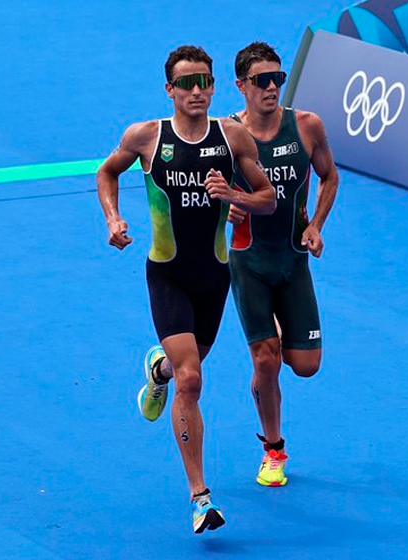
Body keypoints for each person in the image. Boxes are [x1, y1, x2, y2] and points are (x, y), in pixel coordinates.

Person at [96, 45, 276, 534]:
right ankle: (201, 497)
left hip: (215, 277)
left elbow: (267, 197)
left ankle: (158, 371)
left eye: (204, 82)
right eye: (186, 83)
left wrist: (233, 195)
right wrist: (113, 219)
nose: (196, 91)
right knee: (192, 380)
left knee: (181, 371)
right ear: (169, 89)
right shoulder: (147, 137)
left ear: (214, 87)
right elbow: (107, 171)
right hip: (168, 274)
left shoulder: (231, 137)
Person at [227, 42, 339, 487]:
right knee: (267, 359)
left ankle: (265, 369)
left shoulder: (307, 126)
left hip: (293, 260)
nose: (272, 87)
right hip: (247, 260)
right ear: (241, 87)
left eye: (278, 77)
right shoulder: (227, 134)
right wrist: (228, 210)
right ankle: (273, 448)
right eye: (261, 80)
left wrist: (316, 225)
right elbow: (204, 194)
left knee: (306, 365)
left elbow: (329, 176)